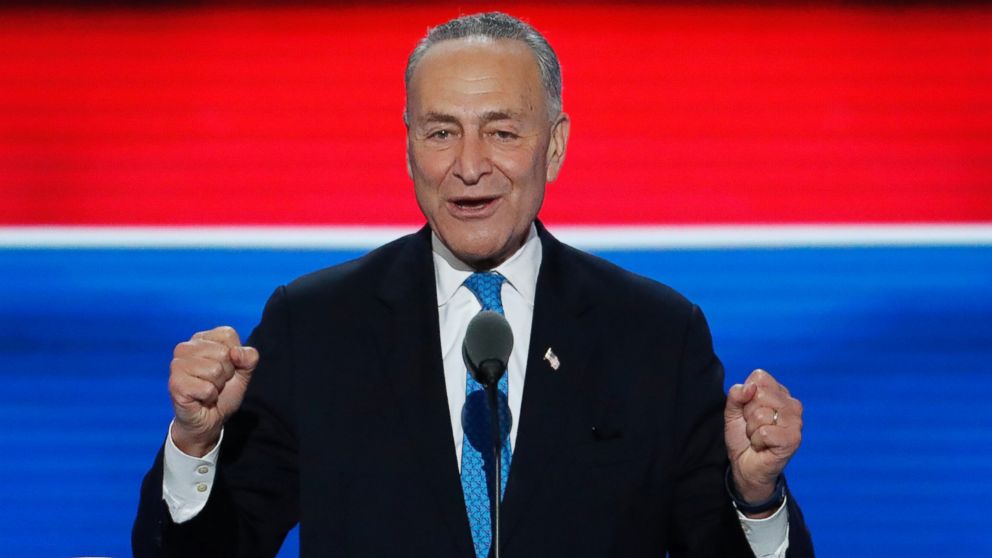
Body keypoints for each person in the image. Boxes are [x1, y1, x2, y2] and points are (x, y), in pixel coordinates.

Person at [133, 12, 813, 558]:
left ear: (554, 145)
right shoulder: (314, 326)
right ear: (407, 147)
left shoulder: (656, 335)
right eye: (440, 132)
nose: (468, 166)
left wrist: (754, 498)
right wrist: (194, 446)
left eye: (502, 132)